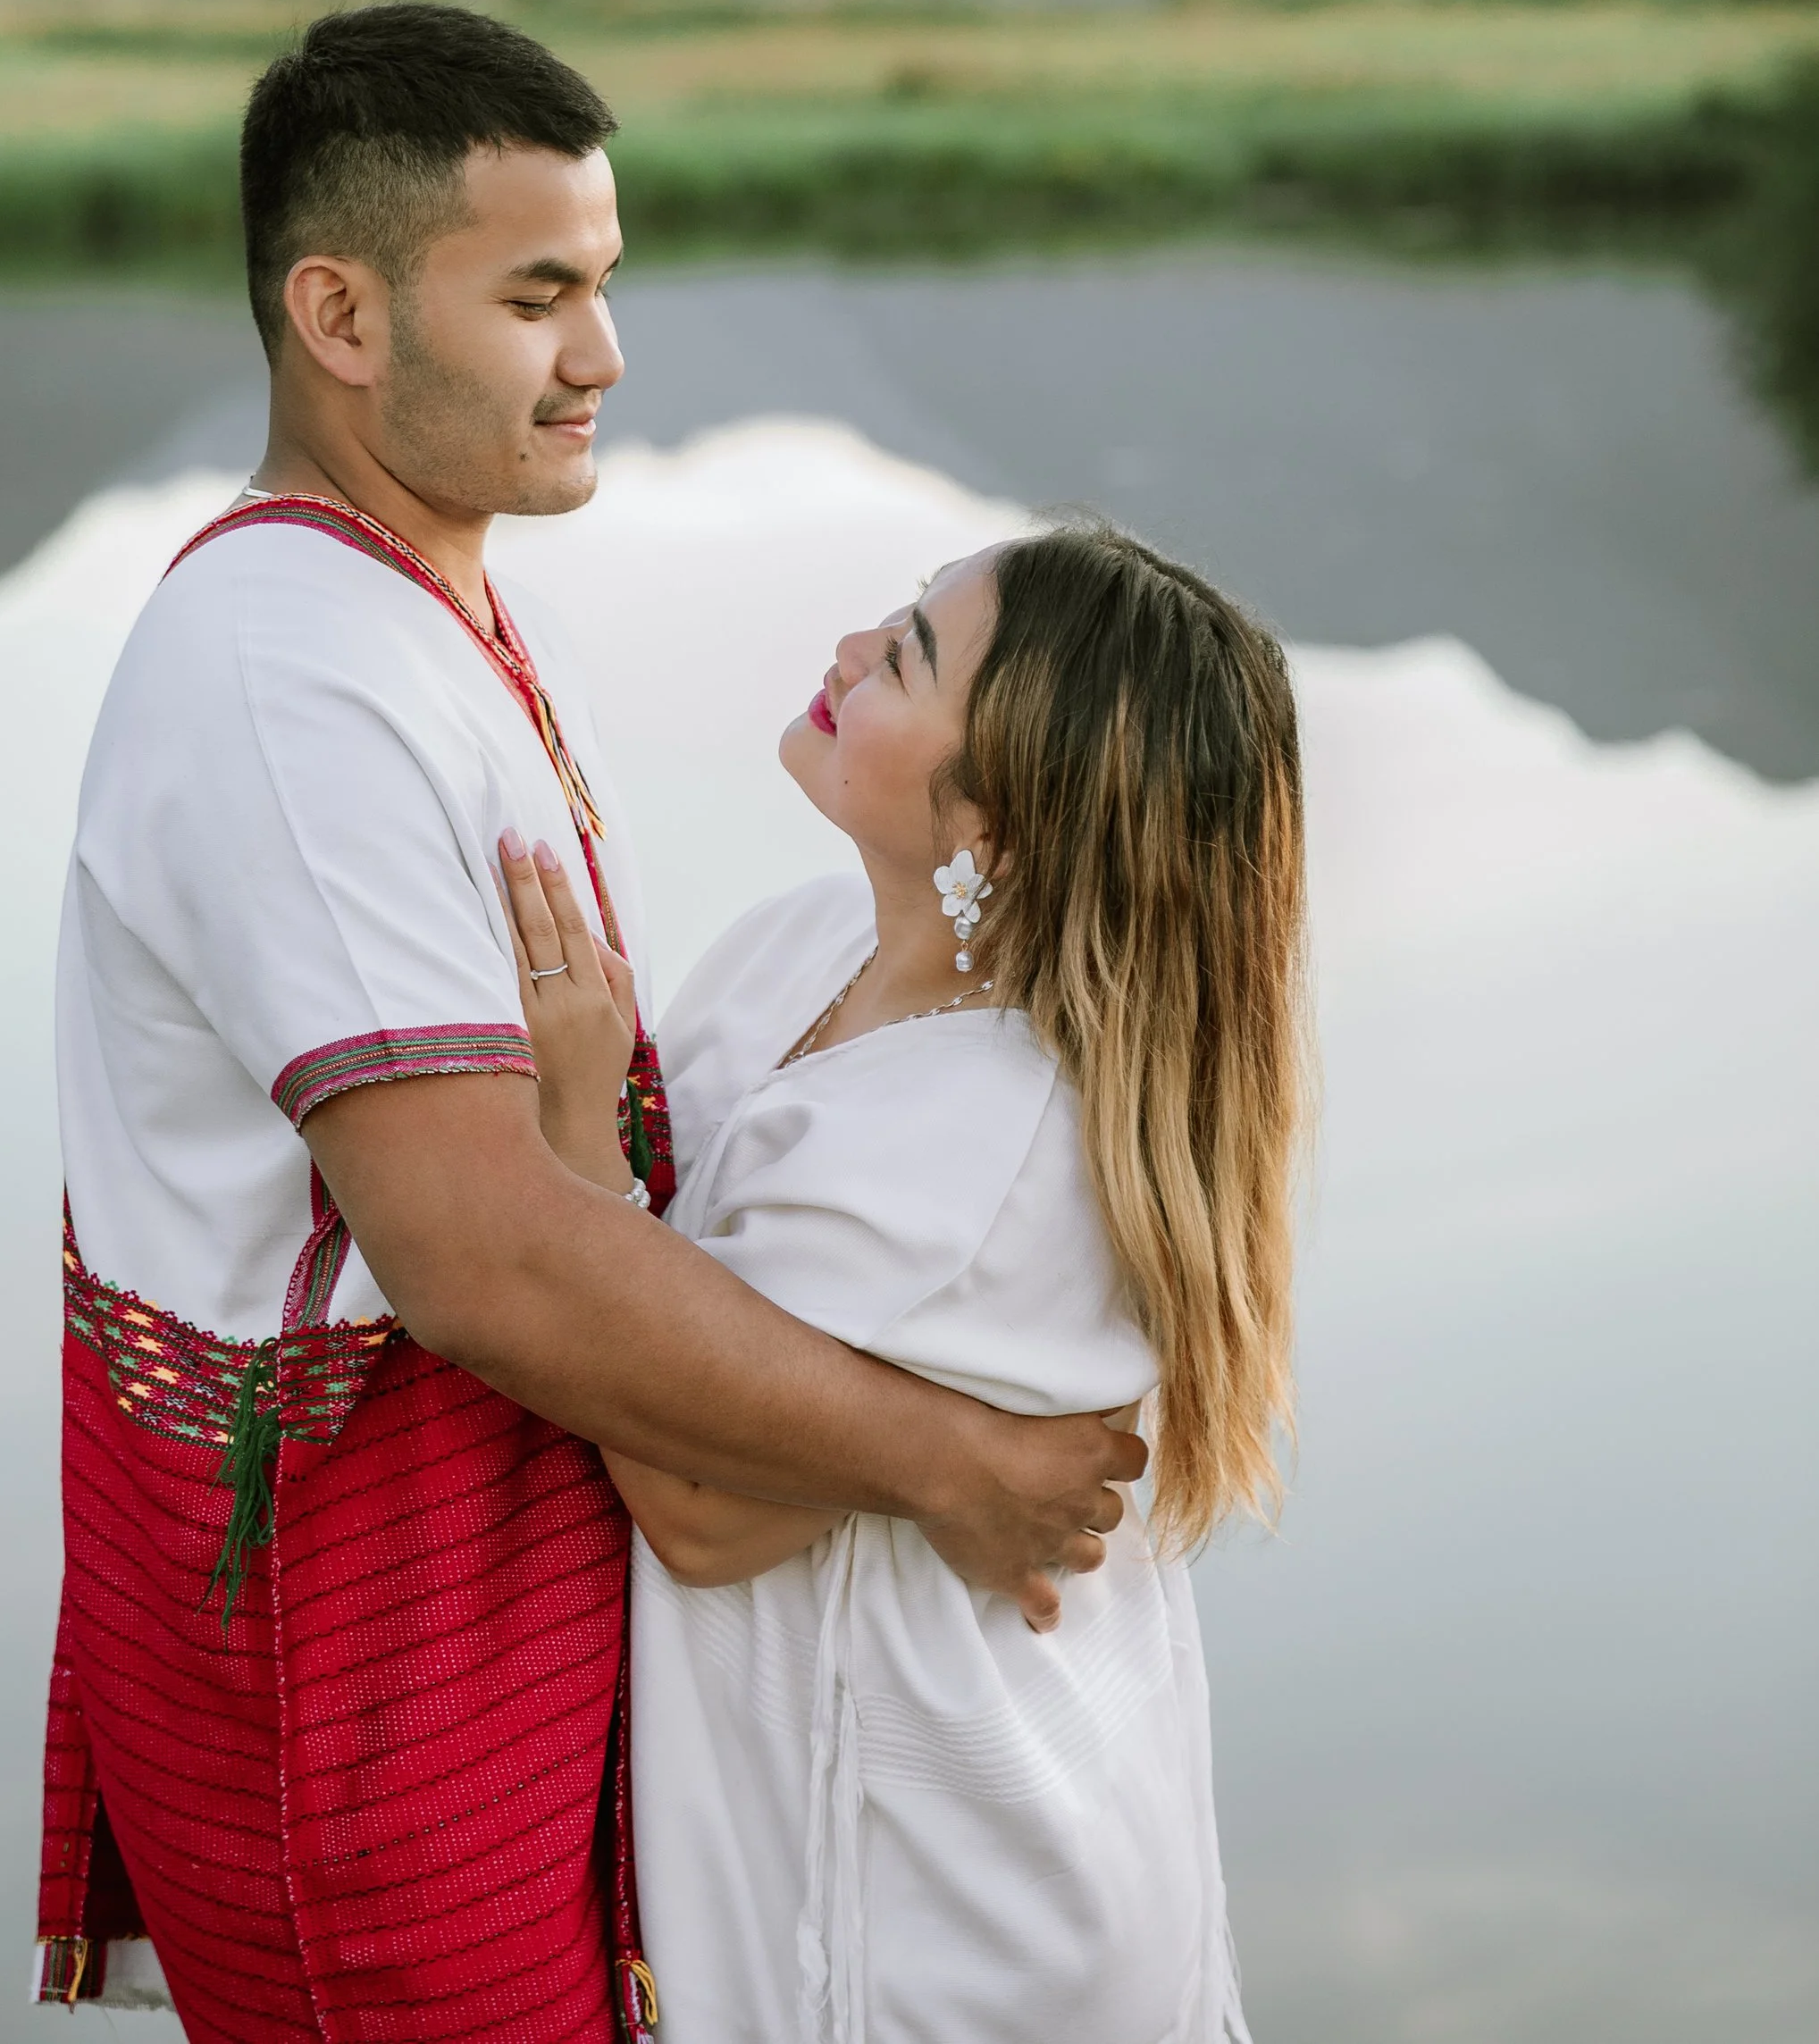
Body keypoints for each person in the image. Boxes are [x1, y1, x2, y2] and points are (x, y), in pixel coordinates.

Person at [34, 2, 1146, 2044]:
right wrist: (952, 1460)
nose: (605, 355)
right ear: (339, 314)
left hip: (485, 1647)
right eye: (536, 296)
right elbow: (476, 1256)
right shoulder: (291, 677)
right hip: (366, 1699)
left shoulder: (420, 611)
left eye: (603, 283)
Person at [502, 516, 1310, 2042]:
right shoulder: (800, 944)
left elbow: (698, 1504)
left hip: (949, 1913)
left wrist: (573, 1132)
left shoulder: (985, 1138)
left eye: (907, 659)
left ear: (992, 826)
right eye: (898, 615)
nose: (846, 651)